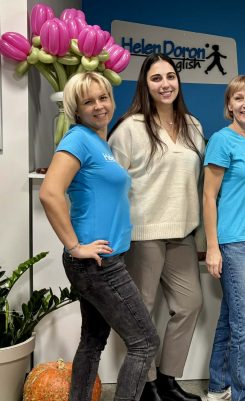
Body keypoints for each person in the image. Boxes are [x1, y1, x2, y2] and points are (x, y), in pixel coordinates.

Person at [39, 72, 159, 401]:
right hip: (97, 263)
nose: (98, 106)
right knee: (145, 342)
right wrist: (74, 246)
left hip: (103, 259)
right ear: (76, 109)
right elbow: (50, 193)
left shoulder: (98, 143)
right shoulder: (77, 139)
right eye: (88, 101)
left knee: (93, 341)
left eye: (103, 97)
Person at [108, 54, 205, 401]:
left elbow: (198, 183)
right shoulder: (130, 128)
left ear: (178, 80)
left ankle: (167, 380)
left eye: (170, 76)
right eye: (156, 78)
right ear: (145, 85)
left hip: (182, 234)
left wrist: (201, 236)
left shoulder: (193, 126)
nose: (165, 84)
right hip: (143, 234)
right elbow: (111, 183)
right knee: (141, 312)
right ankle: (146, 384)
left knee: (190, 304)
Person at [204, 75, 245, 401]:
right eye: (239, 98)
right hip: (231, 242)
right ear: (229, 105)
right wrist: (212, 247)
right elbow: (208, 196)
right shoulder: (221, 140)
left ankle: (218, 387)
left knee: (232, 318)